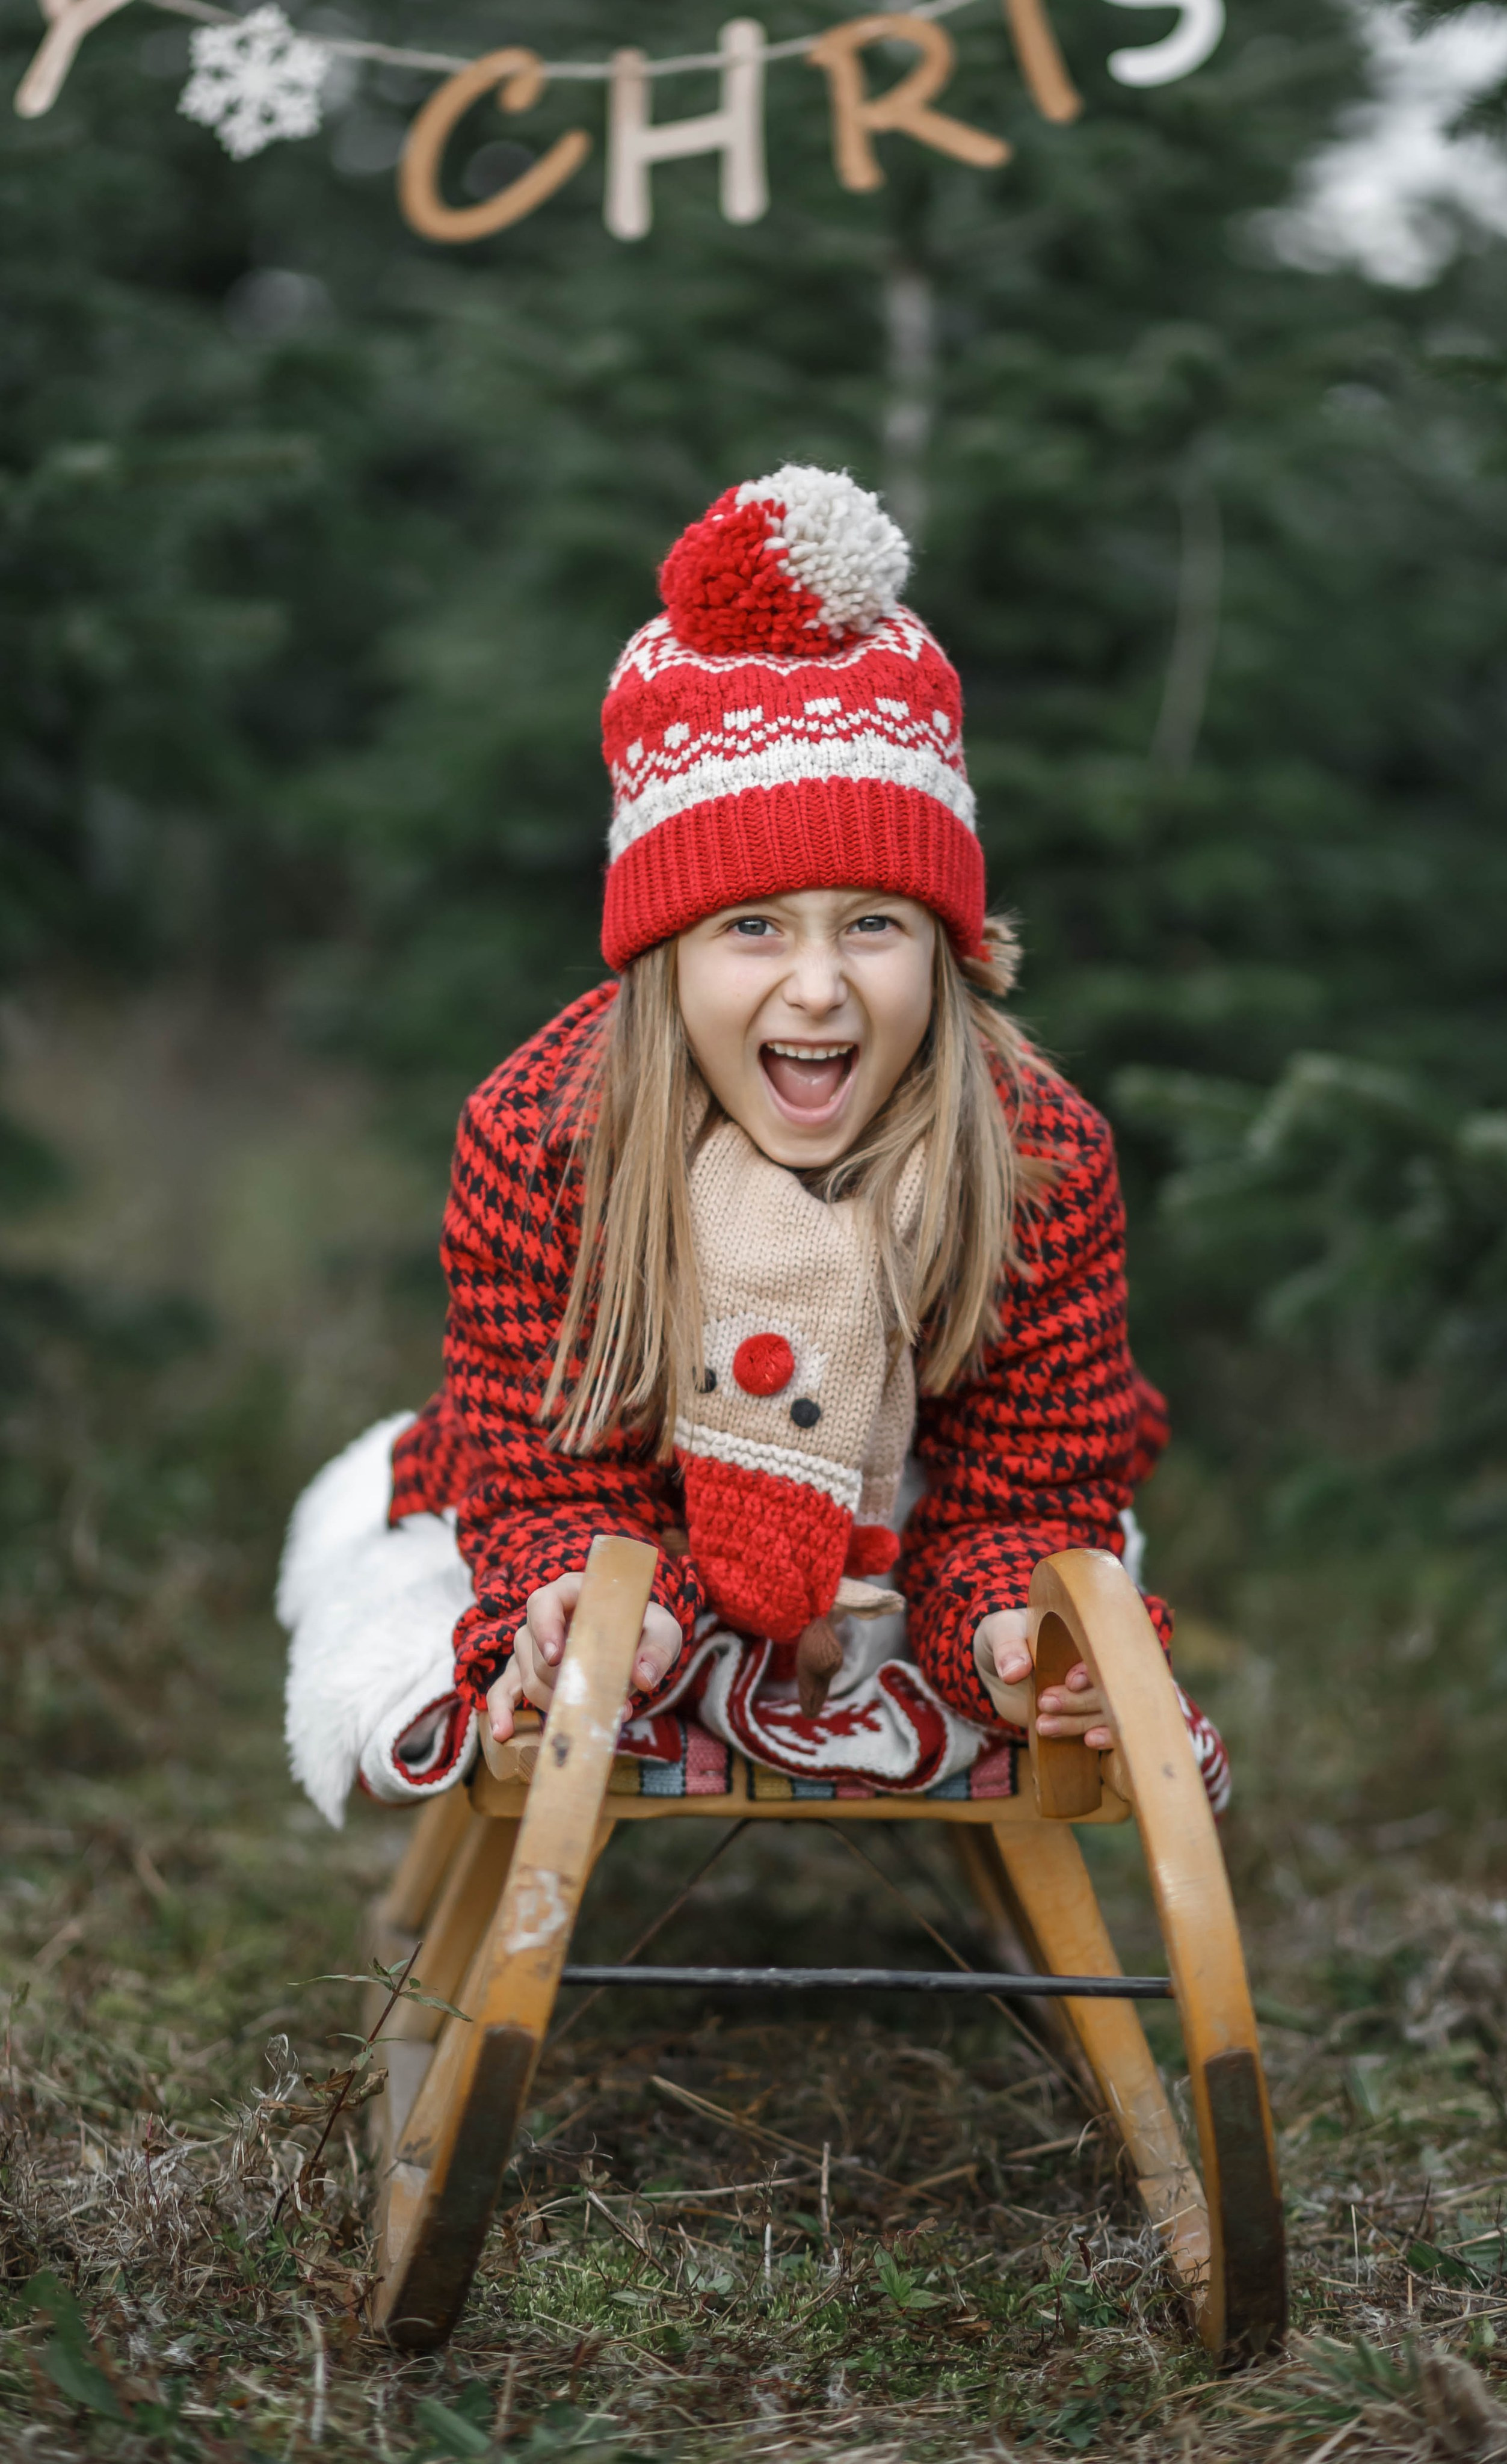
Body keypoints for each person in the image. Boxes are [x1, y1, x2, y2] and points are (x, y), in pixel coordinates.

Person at [368, 462, 1218, 1808]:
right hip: (633, 1511)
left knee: (1036, 1559)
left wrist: (1010, 1628)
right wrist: (589, 1594)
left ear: (942, 946)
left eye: (872, 922)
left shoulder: (1032, 1155)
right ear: (665, 952)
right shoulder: (548, 1137)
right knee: (543, 1557)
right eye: (752, 925)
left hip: (895, 1525)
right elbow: (540, 1467)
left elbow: (1026, 1489)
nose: (817, 987)